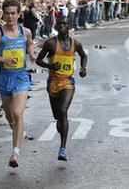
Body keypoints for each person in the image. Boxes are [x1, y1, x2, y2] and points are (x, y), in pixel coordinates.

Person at [0, 0, 35, 168]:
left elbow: (30, 43)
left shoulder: (25, 31)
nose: (10, 16)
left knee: (18, 113)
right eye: (7, 13)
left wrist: (32, 54)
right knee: (10, 116)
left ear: (19, 14)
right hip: (4, 78)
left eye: (13, 13)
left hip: (20, 77)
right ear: (2, 14)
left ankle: (15, 153)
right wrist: (2, 58)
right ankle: (18, 130)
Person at [36, 15, 87, 161]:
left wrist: (83, 68)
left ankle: (63, 148)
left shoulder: (75, 44)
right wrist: (49, 65)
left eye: (65, 23)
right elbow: (38, 60)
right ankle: (60, 121)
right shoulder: (50, 44)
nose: (62, 26)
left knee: (63, 110)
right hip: (53, 82)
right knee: (57, 115)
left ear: (69, 25)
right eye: (60, 24)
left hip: (68, 82)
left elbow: (84, 56)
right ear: (57, 26)